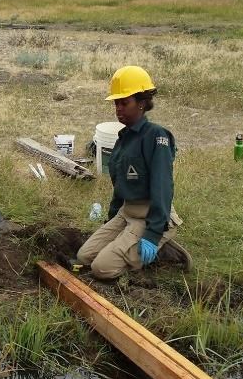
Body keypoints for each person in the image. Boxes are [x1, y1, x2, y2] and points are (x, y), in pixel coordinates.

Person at [75, 66, 192, 279]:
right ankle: (133, 244)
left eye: (124, 102)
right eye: (116, 103)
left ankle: (160, 245)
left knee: (102, 269)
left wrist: (153, 231)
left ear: (141, 102)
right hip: (126, 212)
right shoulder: (123, 139)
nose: (118, 108)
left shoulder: (156, 137)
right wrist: (111, 221)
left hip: (149, 216)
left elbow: (162, 186)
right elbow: (120, 187)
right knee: (85, 257)